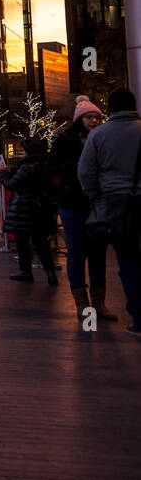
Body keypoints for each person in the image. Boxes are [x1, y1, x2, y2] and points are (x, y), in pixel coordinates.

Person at [78, 87, 141, 335]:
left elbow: (84, 171)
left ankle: (138, 318)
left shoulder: (99, 135)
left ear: (110, 109)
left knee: (128, 260)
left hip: (116, 203)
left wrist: (96, 195)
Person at [50, 95, 112, 319]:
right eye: (89, 117)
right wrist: (77, 165)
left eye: (97, 117)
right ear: (79, 119)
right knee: (76, 250)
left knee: (98, 252)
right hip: (72, 202)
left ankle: (99, 303)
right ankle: (82, 304)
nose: (94, 120)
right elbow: (52, 168)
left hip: (96, 201)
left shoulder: (102, 139)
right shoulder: (64, 140)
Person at [0, 138, 58, 285]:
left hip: (24, 209)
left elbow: (11, 184)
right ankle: (50, 273)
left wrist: (1, 174)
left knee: (22, 242)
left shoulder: (27, 167)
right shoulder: (45, 165)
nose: (22, 153)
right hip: (41, 209)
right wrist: (13, 171)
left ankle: (25, 271)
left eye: (24, 150)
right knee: (41, 243)